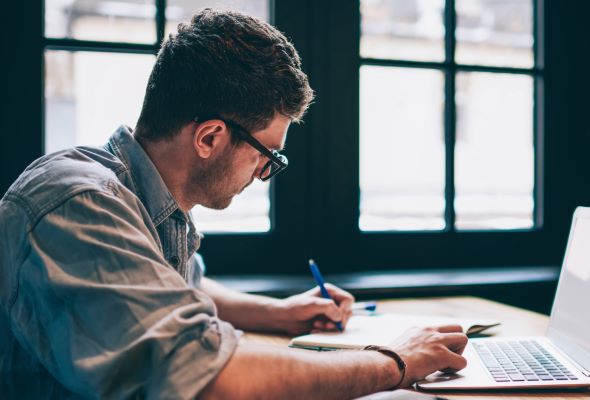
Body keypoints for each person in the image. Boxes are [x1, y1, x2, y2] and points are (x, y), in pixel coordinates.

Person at [0, 9, 468, 399]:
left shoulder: (141, 199)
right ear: (209, 137)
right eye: (267, 156)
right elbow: (211, 377)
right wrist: (395, 361)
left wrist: (277, 313)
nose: (265, 174)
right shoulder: (79, 203)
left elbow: (174, 289)